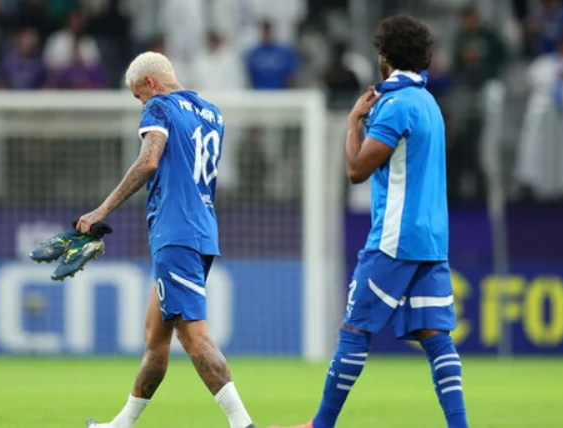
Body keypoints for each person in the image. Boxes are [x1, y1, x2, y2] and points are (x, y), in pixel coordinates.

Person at [268, 16, 469, 428]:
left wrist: (352, 124)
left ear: (384, 56)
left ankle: (321, 424)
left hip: (395, 238)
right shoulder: (429, 103)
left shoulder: (395, 105)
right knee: (436, 338)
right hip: (433, 241)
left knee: (354, 330)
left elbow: (357, 170)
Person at [76, 52, 256, 428]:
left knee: (194, 337)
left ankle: (243, 425)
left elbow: (149, 161)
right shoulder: (212, 113)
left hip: (175, 231)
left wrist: (102, 210)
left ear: (151, 83)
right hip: (202, 229)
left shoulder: (159, 106)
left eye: (138, 96)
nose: (140, 104)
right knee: (155, 337)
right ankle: (121, 425)